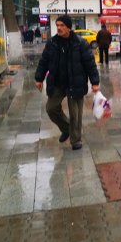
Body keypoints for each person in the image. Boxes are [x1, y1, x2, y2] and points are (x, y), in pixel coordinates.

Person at [35, 15, 99, 150]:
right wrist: (39, 78)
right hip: (57, 83)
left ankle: (76, 140)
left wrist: (95, 82)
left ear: (69, 27)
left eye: (62, 25)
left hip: (75, 82)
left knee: (75, 113)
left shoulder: (80, 43)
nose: (59, 28)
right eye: (57, 25)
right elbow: (44, 61)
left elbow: (90, 64)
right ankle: (66, 128)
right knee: (51, 108)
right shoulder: (52, 43)